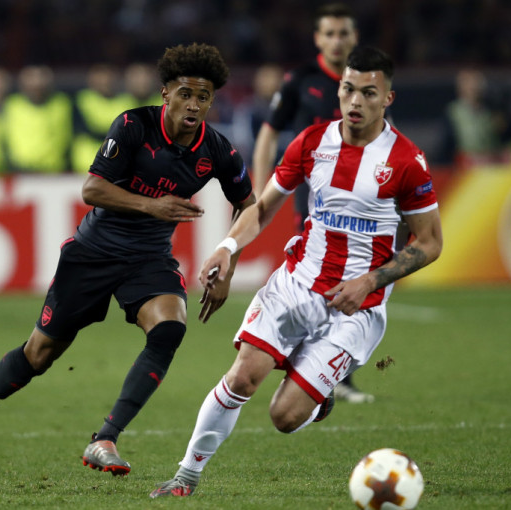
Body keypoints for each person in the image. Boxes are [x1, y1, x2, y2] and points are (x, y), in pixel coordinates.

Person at [0, 43, 255, 476]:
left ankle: (105, 438)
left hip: (149, 257)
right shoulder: (133, 125)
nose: (193, 104)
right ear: (166, 93)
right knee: (40, 354)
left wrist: (229, 258)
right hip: (94, 252)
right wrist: (152, 205)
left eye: (203, 97)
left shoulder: (217, 150)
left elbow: (249, 206)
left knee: (169, 328)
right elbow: (92, 189)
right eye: (185, 94)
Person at [150, 46, 443, 498]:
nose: (355, 101)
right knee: (242, 377)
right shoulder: (311, 142)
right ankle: (186, 477)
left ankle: (318, 399)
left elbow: (429, 243)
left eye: (369, 93)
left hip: (355, 308)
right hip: (296, 285)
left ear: (388, 98)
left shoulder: (406, 161)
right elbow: (262, 207)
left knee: (284, 417)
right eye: (348, 89)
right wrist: (228, 247)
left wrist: (370, 281)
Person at [252, 3, 369, 403]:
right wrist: (260, 190)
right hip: (315, 195)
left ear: (354, 38)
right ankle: (316, 369)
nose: (337, 41)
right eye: (329, 33)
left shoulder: (366, 82)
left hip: (360, 195)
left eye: (343, 33)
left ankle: (332, 369)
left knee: (355, 277)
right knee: (317, 279)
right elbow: (269, 133)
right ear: (318, 39)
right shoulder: (300, 80)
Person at [2, 65, 73, 172]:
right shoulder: (11, 105)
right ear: (22, 81)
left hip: (55, 171)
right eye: (31, 77)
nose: (37, 83)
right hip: (20, 170)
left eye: (41, 77)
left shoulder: (62, 104)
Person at [439, 68, 509, 167]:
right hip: (464, 164)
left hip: (490, 163)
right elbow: (446, 144)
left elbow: (503, 138)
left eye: (476, 83)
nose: (473, 87)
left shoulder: (490, 111)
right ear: (460, 87)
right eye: (468, 83)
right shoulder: (453, 112)